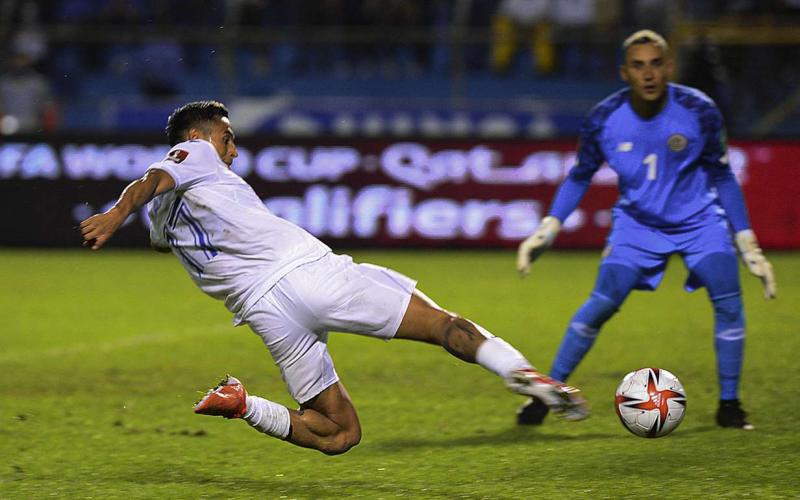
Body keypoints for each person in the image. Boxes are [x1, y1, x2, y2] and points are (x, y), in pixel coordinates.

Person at [79, 100, 587, 455]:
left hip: (267, 314)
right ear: (198, 137)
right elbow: (151, 179)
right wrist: (116, 211)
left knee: (338, 434)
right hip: (311, 276)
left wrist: (133, 212)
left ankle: (241, 404)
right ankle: (526, 377)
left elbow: (160, 194)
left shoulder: (161, 224)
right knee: (444, 325)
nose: (232, 150)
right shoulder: (194, 153)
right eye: (227, 137)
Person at [515, 30, 776, 431]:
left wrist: (747, 242)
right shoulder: (604, 117)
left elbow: (722, 175)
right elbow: (580, 175)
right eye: (638, 65)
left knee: (728, 301)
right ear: (624, 72)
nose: (649, 73)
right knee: (601, 304)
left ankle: (730, 405)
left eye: (656, 63)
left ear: (669, 67)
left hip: (699, 221)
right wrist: (548, 227)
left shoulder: (700, 109)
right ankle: (545, 396)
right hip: (637, 225)